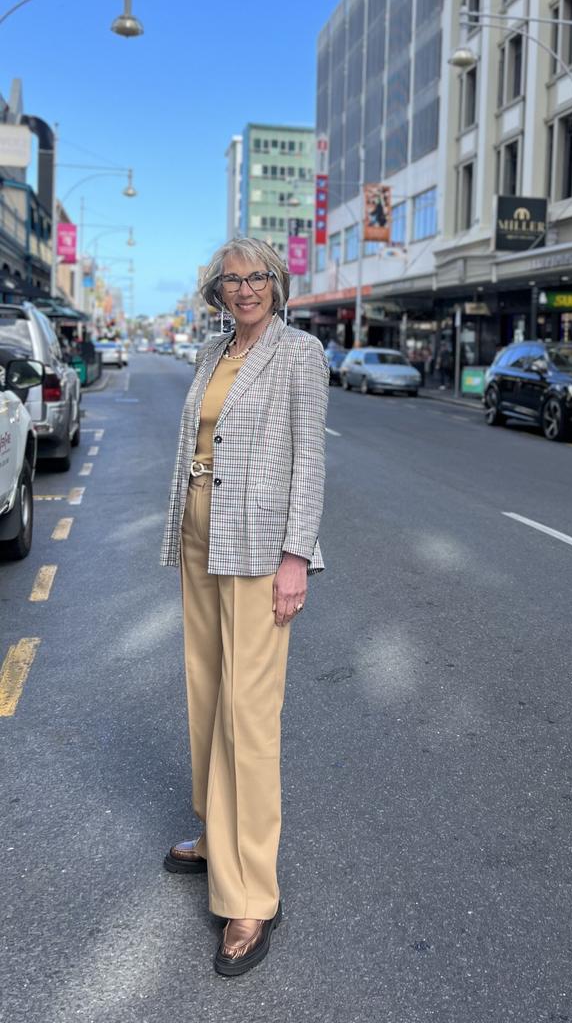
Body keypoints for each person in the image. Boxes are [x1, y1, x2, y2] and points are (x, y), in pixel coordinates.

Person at [160, 237, 329, 976]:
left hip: (261, 551)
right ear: (217, 291)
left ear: (277, 283)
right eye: (231, 280)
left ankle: (252, 890)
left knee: (250, 714)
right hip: (202, 534)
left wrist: (297, 556)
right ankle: (214, 835)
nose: (245, 288)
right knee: (206, 693)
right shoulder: (209, 353)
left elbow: (310, 459)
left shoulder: (299, 353)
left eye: (256, 276)